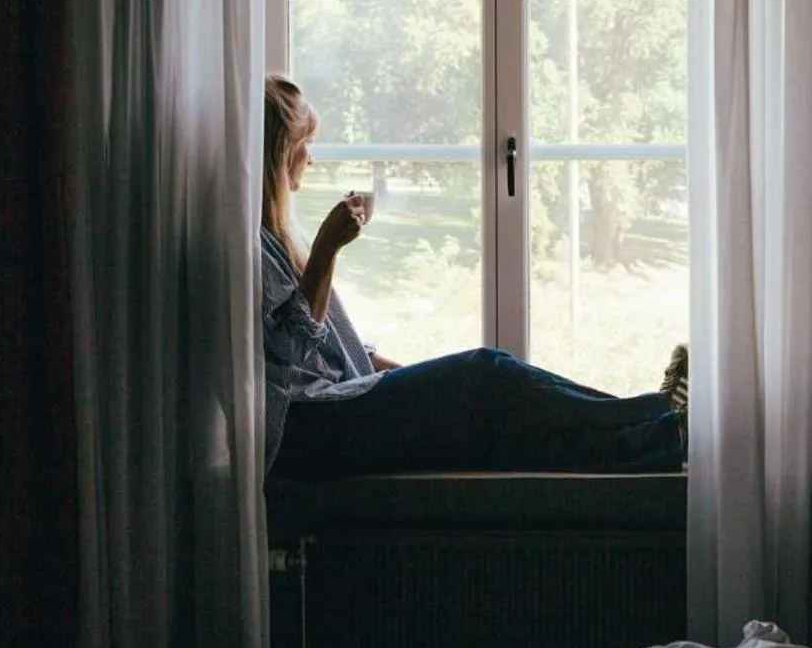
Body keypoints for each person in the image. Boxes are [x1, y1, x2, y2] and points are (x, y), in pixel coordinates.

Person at [259, 74, 688, 482]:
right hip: (308, 429)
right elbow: (292, 349)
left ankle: (657, 430)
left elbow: (346, 351)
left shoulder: (281, 235)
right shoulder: (252, 246)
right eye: (304, 144)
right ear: (277, 151)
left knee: (495, 402)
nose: (311, 158)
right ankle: (656, 419)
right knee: (486, 371)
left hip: (340, 406)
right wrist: (327, 249)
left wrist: (421, 385)